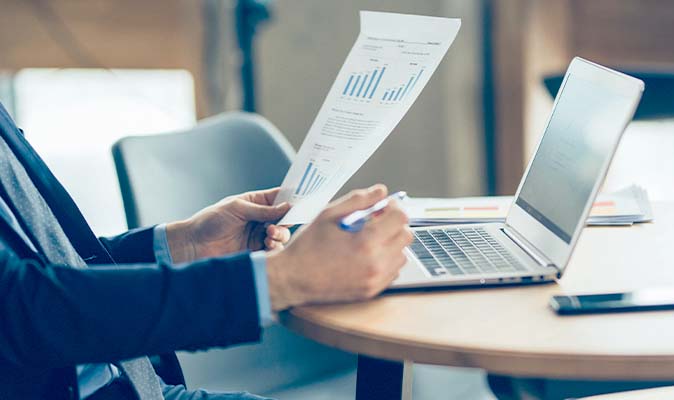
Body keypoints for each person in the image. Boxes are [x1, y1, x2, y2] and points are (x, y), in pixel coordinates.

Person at [0, 102, 413, 400]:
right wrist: (282, 278)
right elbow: (23, 312)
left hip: (133, 385)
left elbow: (46, 271)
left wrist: (181, 245)